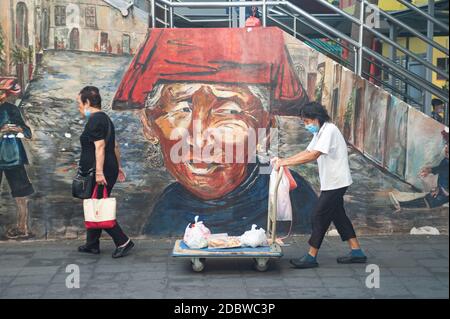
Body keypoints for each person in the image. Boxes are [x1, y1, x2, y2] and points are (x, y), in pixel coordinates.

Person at [112, 28, 317, 236]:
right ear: (148, 124)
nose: (200, 140)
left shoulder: (289, 195)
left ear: (265, 129)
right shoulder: (167, 208)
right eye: (183, 109)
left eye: (229, 111)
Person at [273, 102, 367, 269]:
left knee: (318, 215)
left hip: (336, 182)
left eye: (307, 121)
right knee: (339, 216)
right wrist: (285, 161)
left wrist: (285, 162)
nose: (306, 125)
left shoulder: (329, 130)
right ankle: (357, 252)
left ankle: (311, 256)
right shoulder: (321, 132)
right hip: (332, 182)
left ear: (317, 119)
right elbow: (307, 152)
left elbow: (314, 155)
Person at [76, 86, 134, 258]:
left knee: (100, 205)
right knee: (95, 202)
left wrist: (100, 172)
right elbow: (114, 146)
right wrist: (118, 166)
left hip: (99, 171)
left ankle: (123, 241)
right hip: (107, 168)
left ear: (87, 102)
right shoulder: (105, 119)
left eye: (79, 103)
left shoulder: (95, 120)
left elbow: (100, 146)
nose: (78, 107)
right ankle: (92, 244)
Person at [0, 78, 34, 239]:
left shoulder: (12, 109)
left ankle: (22, 227)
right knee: (21, 194)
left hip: (14, 157)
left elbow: (27, 132)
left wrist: (18, 128)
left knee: (21, 194)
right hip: (11, 157)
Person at [389, 128, 449, 210]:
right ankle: (402, 204)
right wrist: (430, 171)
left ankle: (402, 205)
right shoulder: (446, 160)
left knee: (429, 200)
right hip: (442, 190)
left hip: (444, 193)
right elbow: (441, 168)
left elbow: (443, 170)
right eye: (446, 146)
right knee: (428, 198)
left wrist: (443, 191)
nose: (446, 149)